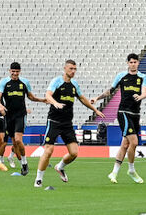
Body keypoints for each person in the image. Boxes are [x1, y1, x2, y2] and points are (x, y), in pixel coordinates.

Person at [34, 60, 104, 188]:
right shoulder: (57, 81)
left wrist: (95, 110)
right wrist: (55, 103)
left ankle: (60, 167)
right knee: (49, 150)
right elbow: (48, 95)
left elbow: (82, 98)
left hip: (67, 124)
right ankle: (39, 179)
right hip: (54, 121)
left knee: (74, 153)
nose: (73, 71)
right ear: (65, 68)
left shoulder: (74, 85)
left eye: (75, 69)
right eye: (71, 68)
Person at [91, 53, 146, 184]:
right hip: (123, 112)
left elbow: (144, 91)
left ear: (138, 63)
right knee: (134, 142)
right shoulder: (121, 76)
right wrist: (97, 98)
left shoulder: (143, 77)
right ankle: (131, 170)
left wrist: (141, 96)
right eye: (131, 62)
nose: (133, 64)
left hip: (136, 114)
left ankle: (114, 172)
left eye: (135, 62)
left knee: (125, 144)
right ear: (128, 63)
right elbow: (110, 91)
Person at [0, 62, 46, 176]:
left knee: (18, 140)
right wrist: (1, 106)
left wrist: (42, 100)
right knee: (14, 143)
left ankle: (24, 163)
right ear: (9, 71)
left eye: (17, 71)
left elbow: (31, 97)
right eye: (13, 71)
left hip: (20, 115)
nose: (15, 73)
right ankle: (19, 161)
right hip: (9, 116)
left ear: (20, 72)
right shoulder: (4, 82)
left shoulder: (24, 82)